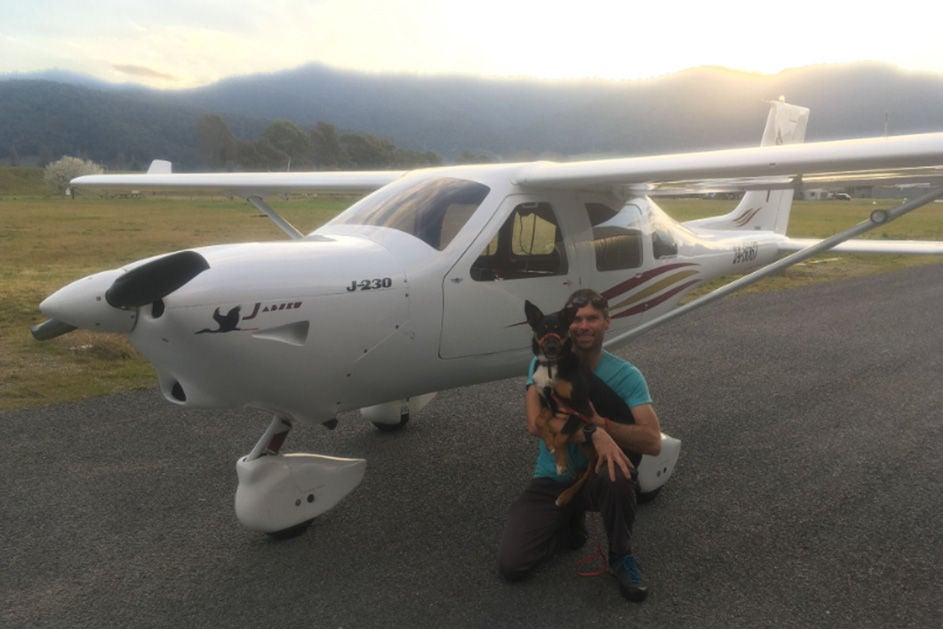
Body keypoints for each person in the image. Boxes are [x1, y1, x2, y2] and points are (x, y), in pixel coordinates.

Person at [497, 289, 663, 602]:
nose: (583, 326)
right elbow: (536, 423)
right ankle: (566, 523)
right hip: (551, 476)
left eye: (592, 318)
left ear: (607, 323)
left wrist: (604, 426)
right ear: (567, 325)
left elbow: (653, 441)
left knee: (617, 473)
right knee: (512, 565)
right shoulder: (541, 364)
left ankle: (620, 555)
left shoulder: (627, 375)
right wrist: (592, 433)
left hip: (596, 473)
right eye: (578, 319)